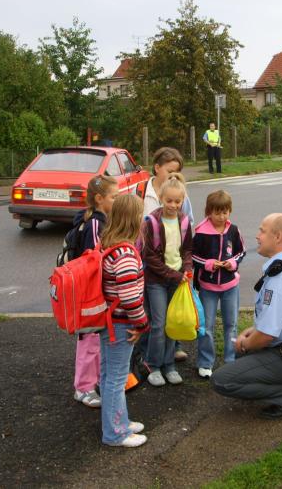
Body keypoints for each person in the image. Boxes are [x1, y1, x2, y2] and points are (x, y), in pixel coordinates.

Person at [211, 213, 282, 420]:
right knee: (243, 353)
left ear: (278, 236)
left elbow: (266, 337)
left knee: (222, 380)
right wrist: (254, 332)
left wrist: (246, 343)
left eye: (262, 231)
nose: (257, 236)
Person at [98, 194, 149, 448]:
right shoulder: (126, 253)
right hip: (121, 324)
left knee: (109, 375)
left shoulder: (108, 243)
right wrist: (141, 324)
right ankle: (115, 433)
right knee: (117, 379)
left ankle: (118, 422)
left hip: (108, 322)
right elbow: (130, 298)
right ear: (134, 219)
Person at [138, 147, 194, 362]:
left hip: (177, 277)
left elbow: (187, 246)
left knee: (171, 321)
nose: (173, 205)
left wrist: (187, 270)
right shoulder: (143, 194)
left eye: (177, 202)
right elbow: (148, 252)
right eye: (169, 172)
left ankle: (168, 362)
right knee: (156, 321)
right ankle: (150, 362)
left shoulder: (183, 215)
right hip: (152, 273)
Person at [72, 175, 118, 408]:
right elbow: (93, 260)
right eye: (114, 197)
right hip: (90, 291)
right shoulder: (95, 224)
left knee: (94, 339)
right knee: (89, 340)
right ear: (100, 199)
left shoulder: (94, 220)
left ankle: (93, 381)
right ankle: (83, 388)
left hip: (91, 290)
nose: (116, 200)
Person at [192, 190, 246, 378]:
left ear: (229, 211)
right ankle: (206, 362)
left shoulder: (233, 230)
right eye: (217, 213)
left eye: (225, 212)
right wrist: (207, 264)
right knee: (207, 326)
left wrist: (233, 263)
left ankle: (231, 360)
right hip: (208, 287)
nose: (221, 217)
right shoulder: (200, 232)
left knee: (231, 324)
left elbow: (241, 252)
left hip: (231, 285)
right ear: (208, 212)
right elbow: (193, 256)